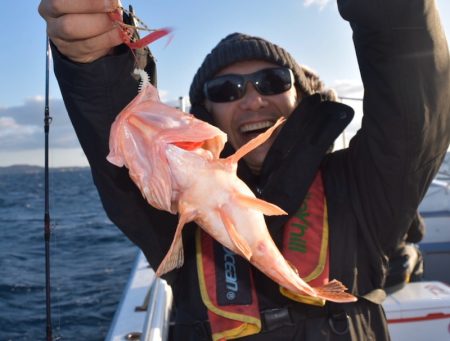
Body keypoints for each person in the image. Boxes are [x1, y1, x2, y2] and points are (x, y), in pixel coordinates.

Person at [38, 0, 450, 340]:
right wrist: (97, 63)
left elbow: (413, 108)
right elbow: (128, 142)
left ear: (301, 94)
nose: (252, 101)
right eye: (227, 90)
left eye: (272, 81)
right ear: (206, 113)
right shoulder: (169, 202)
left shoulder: (364, 188)